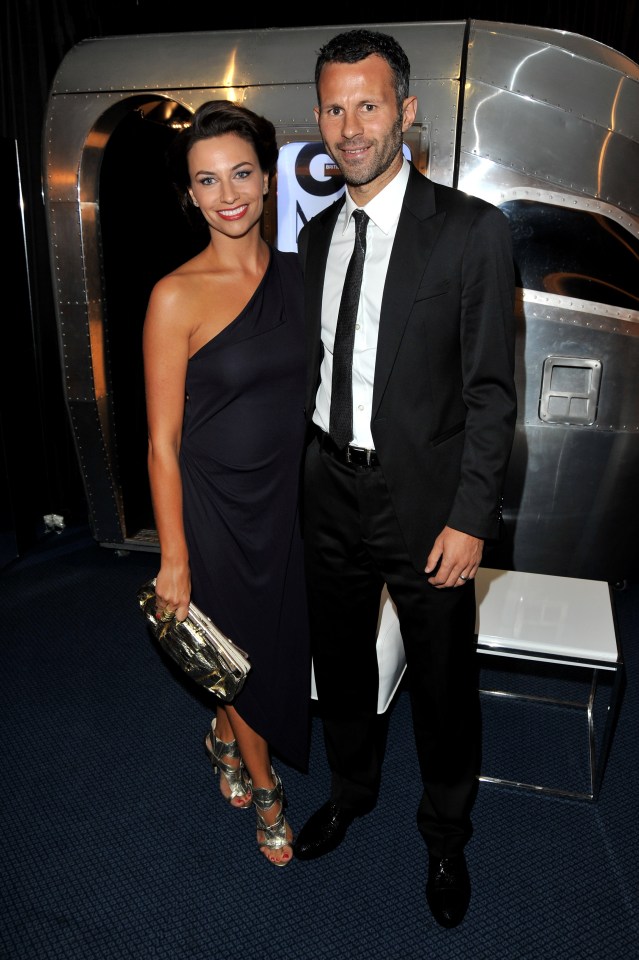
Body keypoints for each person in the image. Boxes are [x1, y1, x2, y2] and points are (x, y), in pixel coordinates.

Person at [293, 29, 517, 926]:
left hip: (427, 505)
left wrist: (471, 517)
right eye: (335, 108)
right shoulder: (313, 238)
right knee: (342, 665)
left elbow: (492, 394)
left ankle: (445, 834)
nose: (352, 126)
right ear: (318, 118)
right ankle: (351, 789)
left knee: (440, 678)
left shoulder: (469, 231)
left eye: (369, 104)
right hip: (327, 490)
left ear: (406, 112)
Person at [143, 100, 310, 867]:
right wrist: (174, 556)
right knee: (246, 654)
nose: (227, 193)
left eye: (240, 173)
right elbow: (161, 443)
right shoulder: (175, 294)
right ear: (191, 194)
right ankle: (265, 786)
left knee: (272, 650)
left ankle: (219, 731)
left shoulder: (302, 278)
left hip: (287, 502)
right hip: (214, 509)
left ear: (268, 178)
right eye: (206, 181)